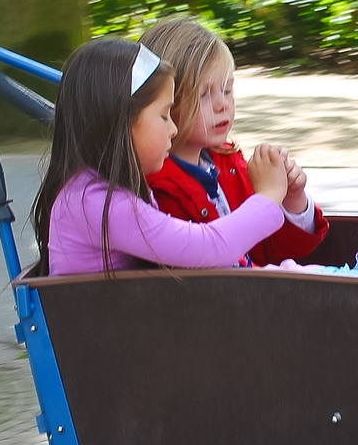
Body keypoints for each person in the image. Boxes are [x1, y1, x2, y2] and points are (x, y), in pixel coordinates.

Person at [38, 38, 294, 276]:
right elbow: (209, 247)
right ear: (121, 123)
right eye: (164, 116)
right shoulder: (96, 203)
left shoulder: (100, 191)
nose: (173, 128)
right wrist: (269, 196)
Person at [138, 16, 330, 264]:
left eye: (228, 90)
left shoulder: (229, 163)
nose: (222, 105)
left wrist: (292, 200)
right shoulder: (158, 188)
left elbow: (269, 249)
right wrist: (267, 196)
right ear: (166, 102)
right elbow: (212, 265)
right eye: (204, 94)